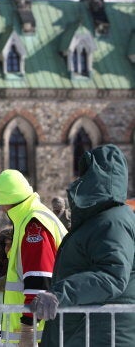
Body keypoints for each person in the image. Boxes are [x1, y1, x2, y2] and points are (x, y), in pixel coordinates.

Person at [33, 144, 135, 347]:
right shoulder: (99, 220)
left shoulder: (112, 221)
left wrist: (59, 294)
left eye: (86, 173)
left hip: (104, 331)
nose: (79, 180)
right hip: (90, 329)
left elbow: (112, 275)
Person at [0, 169, 67, 346]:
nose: (2, 209)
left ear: (7, 202)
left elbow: (39, 279)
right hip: (46, 327)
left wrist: (28, 325)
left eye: (1, 203)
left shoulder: (34, 223)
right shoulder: (34, 216)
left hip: (40, 332)